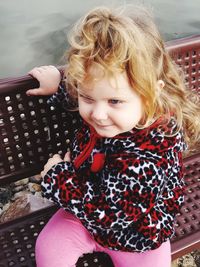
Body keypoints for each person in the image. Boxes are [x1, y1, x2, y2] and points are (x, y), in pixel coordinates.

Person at [26, 5, 200, 267]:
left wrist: (57, 176)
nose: (98, 114)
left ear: (151, 93)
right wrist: (58, 89)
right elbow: (89, 98)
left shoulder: (149, 157)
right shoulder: (113, 111)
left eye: (115, 101)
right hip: (83, 214)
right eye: (87, 96)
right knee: (49, 249)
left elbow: (110, 215)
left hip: (136, 236)